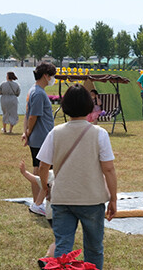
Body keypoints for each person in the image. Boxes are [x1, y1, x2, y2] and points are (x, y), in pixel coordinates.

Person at [38, 84, 117, 270]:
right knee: (94, 247)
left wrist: (46, 187)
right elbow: (109, 169)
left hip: (62, 198)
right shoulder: (100, 134)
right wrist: (113, 198)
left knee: (63, 247)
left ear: (65, 106)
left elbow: (43, 166)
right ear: (90, 106)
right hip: (92, 198)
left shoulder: (55, 133)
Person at [22, 62, 57, 204]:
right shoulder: (38, 93)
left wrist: (26, 132)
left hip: (40, 137)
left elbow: (27, 115)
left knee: (39, 169)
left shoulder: (34, 91)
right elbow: (32, 116)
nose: (53, 79)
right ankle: (38, 202)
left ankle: (38, 202)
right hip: (41, 138)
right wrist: (28, 132)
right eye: (52, 75)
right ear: (45, 76)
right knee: (42, 171)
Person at [19, 160, 56, 260]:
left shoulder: (52, 174)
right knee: (62, 239)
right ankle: (48, 259)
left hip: (50, 214)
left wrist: (25, 172)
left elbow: (36, 179)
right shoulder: (70, 177)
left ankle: (54, 258)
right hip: (60, 214)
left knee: (60, 238)